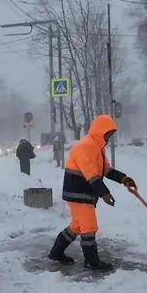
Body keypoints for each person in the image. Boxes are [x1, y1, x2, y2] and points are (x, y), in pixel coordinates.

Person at [47, 114, 137, 271]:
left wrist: (124, 179)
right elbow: (91, 175)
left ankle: (56, 253)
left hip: (82, 193)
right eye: (108, 133)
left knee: (76, 226)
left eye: (111, 134)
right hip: (78, 193)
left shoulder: (98, 147)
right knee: (89, 226)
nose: (109, 137)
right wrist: (105, 193)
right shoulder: (86, 146)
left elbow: (106, 170)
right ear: (100, 131)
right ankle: (92, 262)